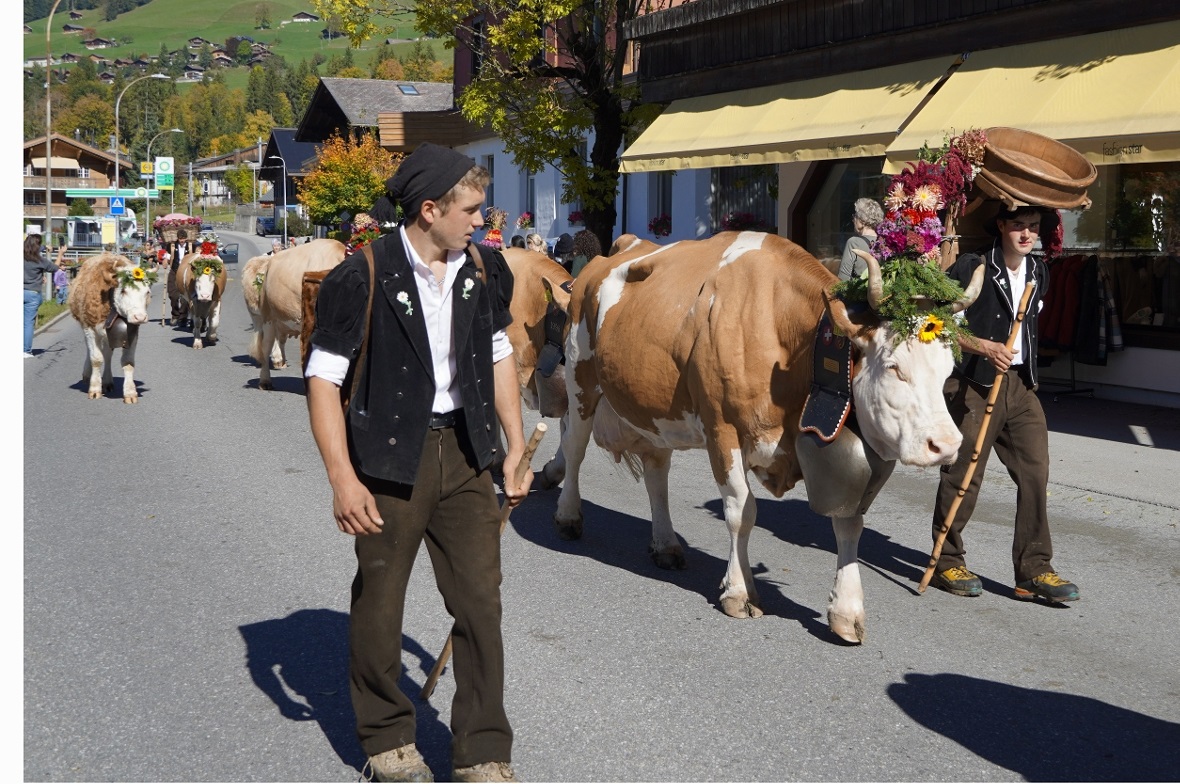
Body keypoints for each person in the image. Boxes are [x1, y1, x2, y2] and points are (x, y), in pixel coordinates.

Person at [305, 143, 532, 783]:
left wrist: (513, 449)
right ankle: (387, 740)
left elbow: (497, 356)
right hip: (387, 461)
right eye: (472, 211)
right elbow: (323, 380)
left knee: (480, 604)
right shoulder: (364, 275)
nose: (482, 224)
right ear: (430, 209)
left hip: (464, 455)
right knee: (381, 602)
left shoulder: (484, 270)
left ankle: (483, 750)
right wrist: (342, 479)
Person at [928, 203, 1079, 603]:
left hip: (1021, 386)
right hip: (975, 384)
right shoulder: (973, 267)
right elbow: (935, 322)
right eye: (1018, 226)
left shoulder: (1038, 271)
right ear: (1001, 226)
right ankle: (947, 562)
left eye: (1033, 227)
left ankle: (1033, 570)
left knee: (1035, 473)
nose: (1027, 234)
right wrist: (982, 346)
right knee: (965, 474)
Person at [24, 231, 59, 357]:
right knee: (28, 323)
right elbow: (55, 268)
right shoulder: (40, 261)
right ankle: (25, 350)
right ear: (38, 246)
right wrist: (60, 253)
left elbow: (31, 247)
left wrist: (44, 247)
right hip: (32, 293)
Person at [838, 197, 884, 281]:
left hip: (858, 293)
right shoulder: (885, 243)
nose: (853, 220)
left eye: (855, 216)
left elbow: (843, 279)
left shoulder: (854, 242)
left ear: (862, 220)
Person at [166, 229, 193, 327]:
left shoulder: (191, 246)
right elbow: (167, 257)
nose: (182, 241)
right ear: (177, 238)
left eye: (183, 239)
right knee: (173, 295)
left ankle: (183, 317)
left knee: (186, 296)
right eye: (180, 239)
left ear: (186, 238)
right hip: (175, 270)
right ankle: (175, 315)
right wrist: (165, 261)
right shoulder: (171, 246)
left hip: (186, 271)